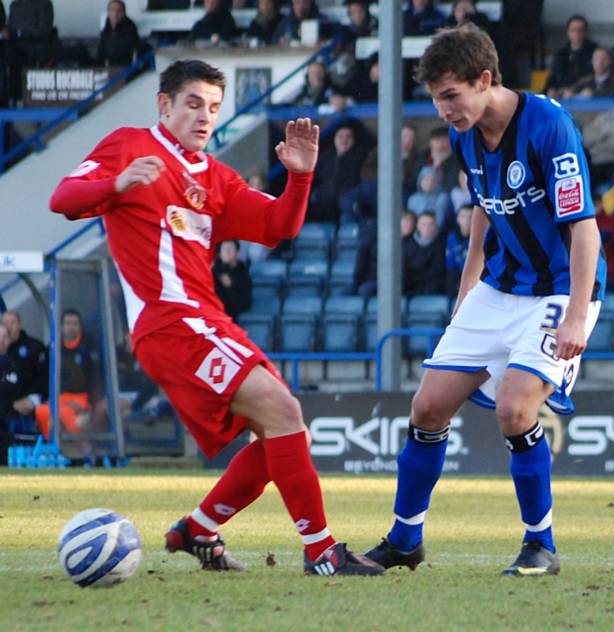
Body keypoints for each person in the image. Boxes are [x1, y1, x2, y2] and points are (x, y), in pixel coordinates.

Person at [50, 59, 382, 577]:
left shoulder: (215, 177)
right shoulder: (130, 146)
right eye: (193, 104)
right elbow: (62, 199)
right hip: (169, 323)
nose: (205, 117)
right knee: (283, 410)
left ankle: (199, 529)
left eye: (213, 107)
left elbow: (279, 228)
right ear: (165, 105)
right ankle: (322, 551)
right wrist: (116, 184)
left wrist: (300, 177)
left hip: (206, 321)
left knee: (282, 430)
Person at [365, 23, 606, 577]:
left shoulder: (549, 126)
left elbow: (585, 228)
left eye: (451, 95)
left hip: (560, 287)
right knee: (426, 407)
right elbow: (482, 210)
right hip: (498, 287)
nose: (444, 109)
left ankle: (540, 546)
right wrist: (468, 281)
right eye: (435, 99)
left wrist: (575, 315)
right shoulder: (464, 134)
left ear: (485, 79)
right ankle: (405, 540)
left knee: (514, 409)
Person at [34, 309, 98, 441]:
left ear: (80, 327)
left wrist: (90, 404)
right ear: (62, 327)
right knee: (41, 410)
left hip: (81, 397)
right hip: (59, 398)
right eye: (68, 323)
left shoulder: (88, 348)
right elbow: (44, 377)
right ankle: (52, 444)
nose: (71, 327)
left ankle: (78, 449)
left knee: (66, 413)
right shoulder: (53, 349)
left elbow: (96, 380)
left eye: (75, 324)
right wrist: (48, 398)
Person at [2, 310, 48, 420]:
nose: (9, 327)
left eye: (12, 323)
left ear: (19, 324)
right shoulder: (2, 349)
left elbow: (44, 377)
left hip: (32, 395)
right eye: (5, 323)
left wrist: (34, 399)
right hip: (9, 399)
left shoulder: (34, 347)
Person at [545, 15, 597, 99]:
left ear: (586, 32)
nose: (577, 33)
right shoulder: (560, 54)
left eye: (580, 30)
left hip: (585, 94)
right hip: (562, 94)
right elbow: (553, 77)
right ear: (568, 32)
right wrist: (551, 89)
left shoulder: (595, 52)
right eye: (573, 30)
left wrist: (574, 90)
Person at [402, 211, 446, 296]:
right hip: (409, 288)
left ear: (435, 227)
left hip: (431, 290)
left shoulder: (441, 244)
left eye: (430, 224)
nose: (427, 228)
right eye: (424, 224)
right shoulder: (406, 243)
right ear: (417, 226)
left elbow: (437, 271)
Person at [96, 0, 144, 67]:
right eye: (112, 10)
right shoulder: (105, 31)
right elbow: (101, 53)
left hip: (125, 68)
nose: (115, 14)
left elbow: (121, 51)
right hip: (106, 67)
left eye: (119, 11)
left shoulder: (130, 29)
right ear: (108, 13)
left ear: (124, 13)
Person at [213, 240, 253, 320]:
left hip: (234, 318)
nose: (227, 252)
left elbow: (245, 303)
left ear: (237, 252)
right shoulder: (213, 272)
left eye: (230, 249)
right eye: (224, 249)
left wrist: (230, 287)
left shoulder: (243, 274)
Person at [445, 204, 472, 298]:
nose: (467, 221)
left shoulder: (482, 238)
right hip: (457, 283)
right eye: (463, 217)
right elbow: (450, 265)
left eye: (470, 217)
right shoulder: (452, 237)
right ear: (458, 219)